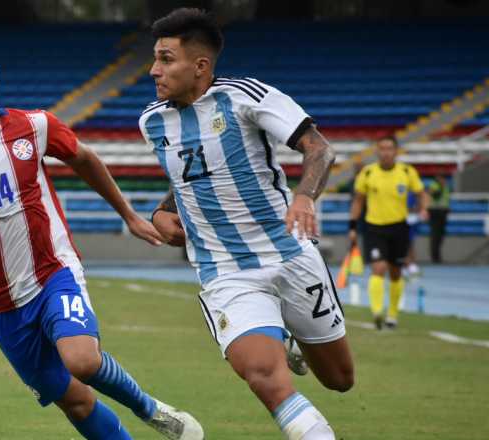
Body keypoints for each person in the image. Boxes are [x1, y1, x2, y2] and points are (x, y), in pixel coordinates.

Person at [0, 42, 202, 440]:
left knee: (82, 360)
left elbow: (84, 158)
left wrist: (129, 215)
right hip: (2, 305)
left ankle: (150, 410)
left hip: (53, 272)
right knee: (77, 401)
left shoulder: (35, 126)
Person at [142, 9, 354, 440]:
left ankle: (292, 338)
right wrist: (162, 211)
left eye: (165, 59)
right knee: (262, 375)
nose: (154, 70)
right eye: (155, 59)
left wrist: (303, 197)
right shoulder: (153, 121)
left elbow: (319, 149)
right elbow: (191, 174)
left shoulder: (247, 97)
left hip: (289, 254)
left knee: (339, 379)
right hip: (224, 270)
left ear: (200, 66)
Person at [349, 135, 430, 330]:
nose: (385, 152)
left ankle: (392, 315)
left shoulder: (406, 172)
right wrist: (352, 227)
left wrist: (423, 208)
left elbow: (422, 193)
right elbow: (358, 201)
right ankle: (377, 312)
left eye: (389, 148)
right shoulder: (368, 173)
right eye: (382, 148)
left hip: (399, 228)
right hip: (374, 228)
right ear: (377, 151)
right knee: (378, 268)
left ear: (396, 151)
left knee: (395, 273)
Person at [426, 174, 451, 263]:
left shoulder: (446, 186)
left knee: (440, 235)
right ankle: (435, 257)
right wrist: (441, 187)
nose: (442, 180)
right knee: (435, 235)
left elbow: (446, 199)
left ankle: (438, 256)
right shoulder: (434, 185)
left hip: (443, 212)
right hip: (435, 212)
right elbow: (433, 196)